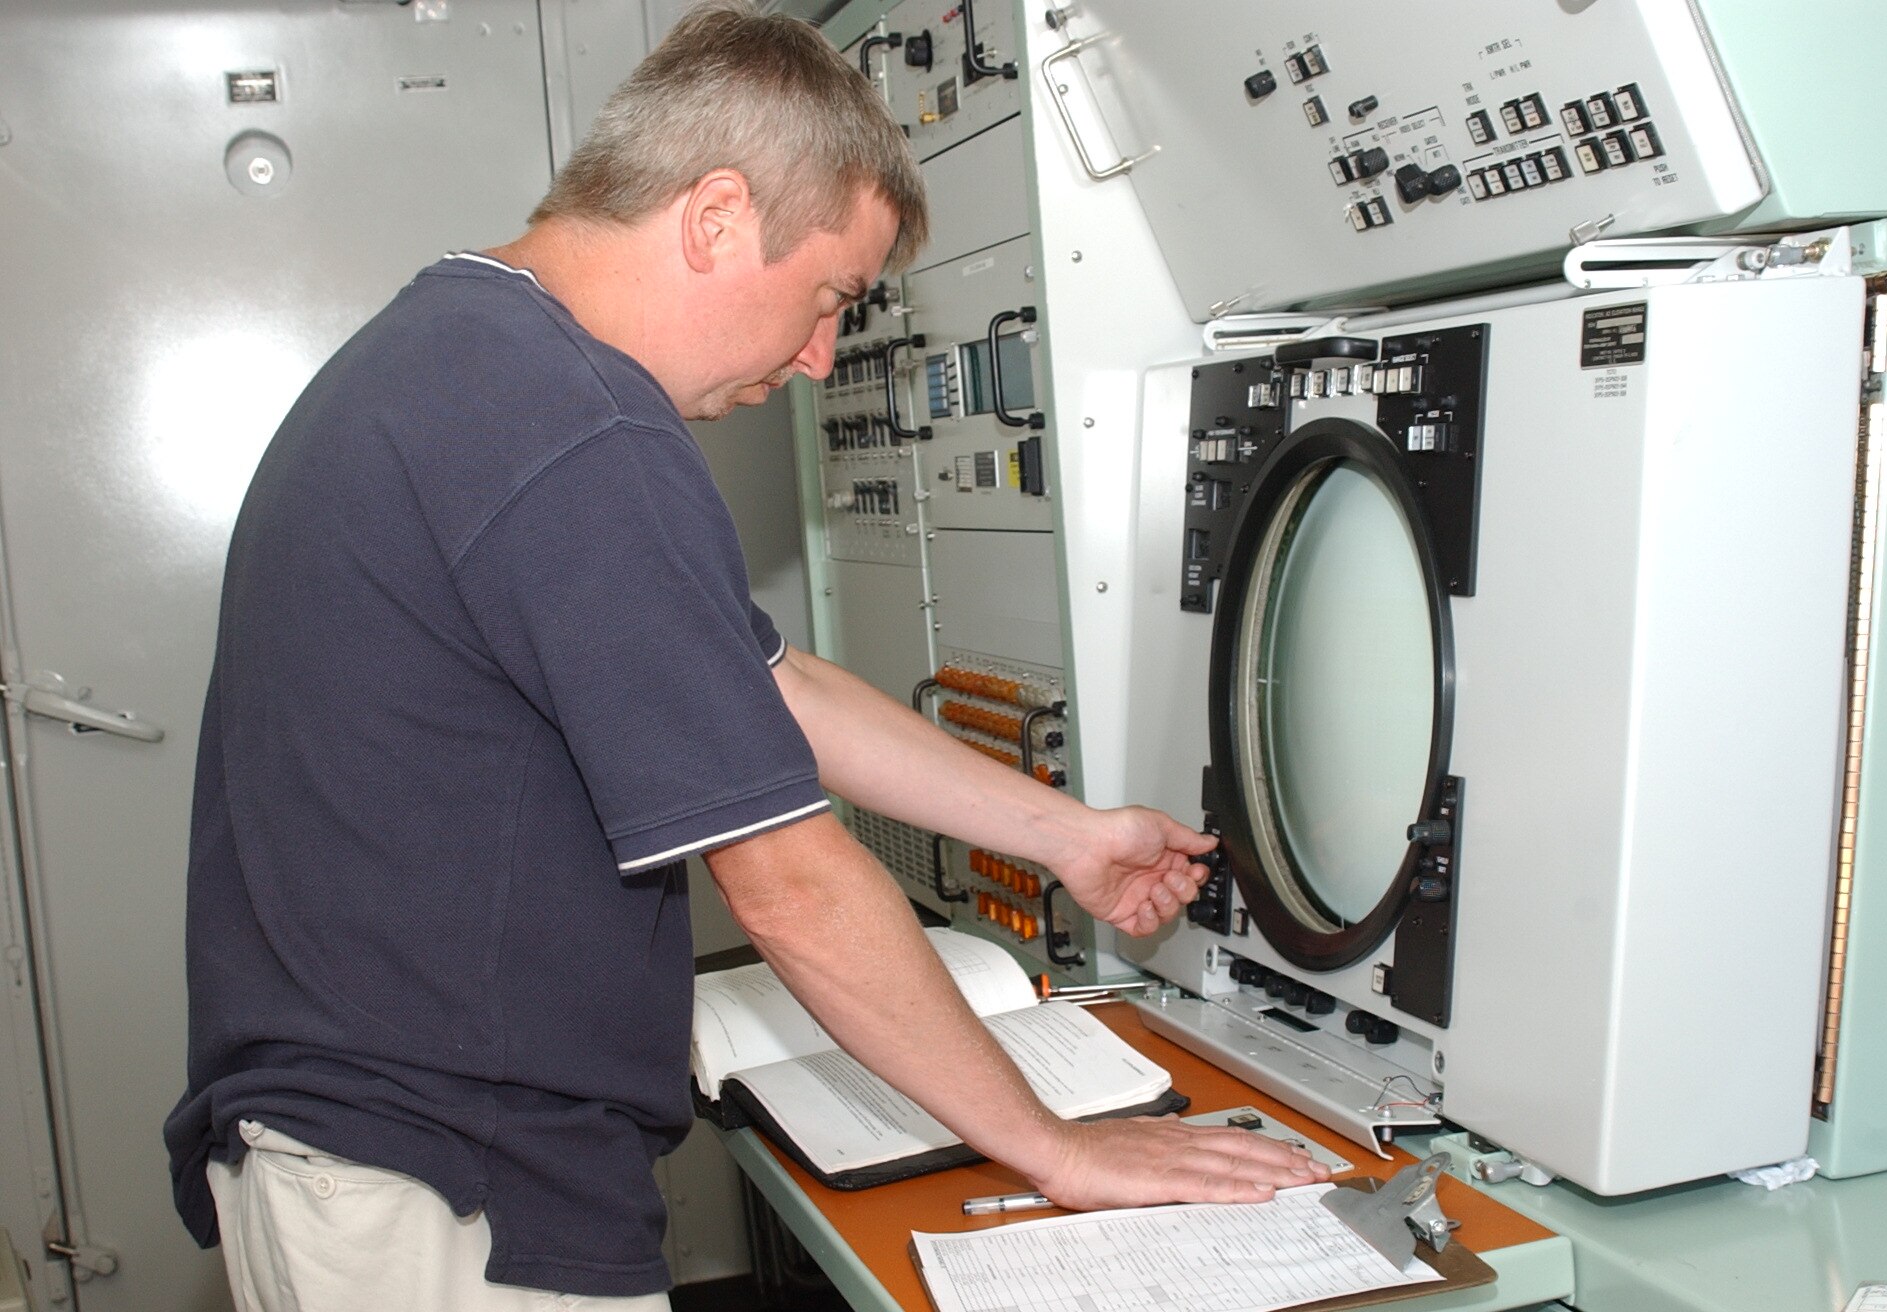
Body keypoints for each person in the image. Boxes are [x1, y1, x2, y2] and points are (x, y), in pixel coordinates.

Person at [164, 3, 1329, 1307]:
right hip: (444, 1185)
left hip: (374, 1154)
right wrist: (1057, 1149)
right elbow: (789, 881)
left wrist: (1063, 834)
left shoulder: (468, 360)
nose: (823, 355)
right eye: (829, 296)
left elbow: (771, 684)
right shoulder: (577, 429)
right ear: (717, 217)